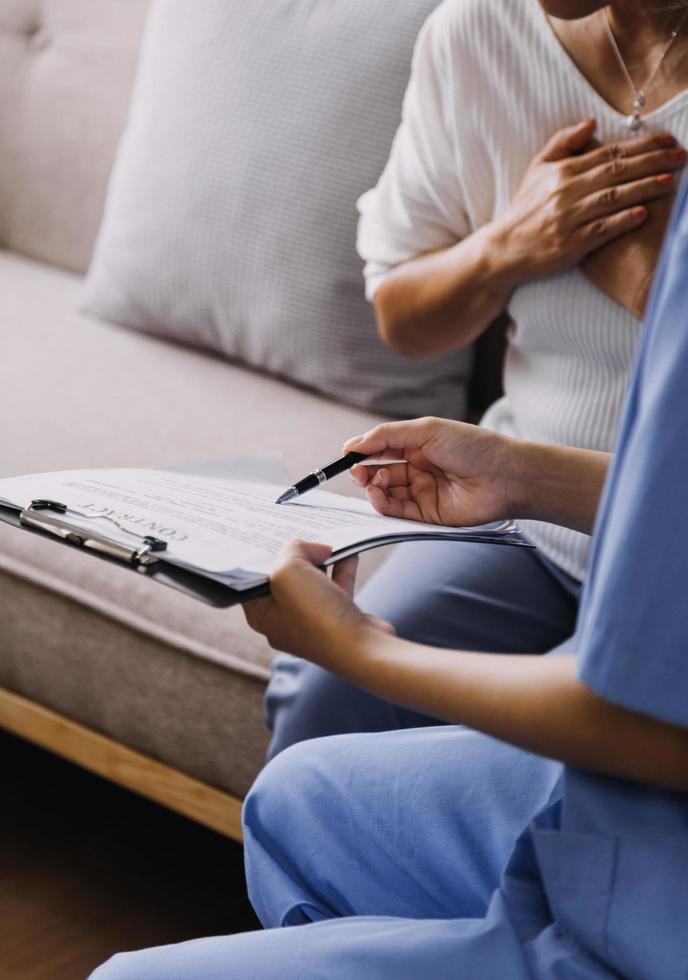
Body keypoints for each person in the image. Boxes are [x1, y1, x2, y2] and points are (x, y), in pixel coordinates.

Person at [89, 174, 688, 978]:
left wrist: (368, 651)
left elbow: (651, 727)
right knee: (295, 792)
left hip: (655, 886)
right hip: (636, 807)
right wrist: (525, 475)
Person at [266, 0, 688, 760]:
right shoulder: (477, 33)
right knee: (326, 696)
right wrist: (509, 246)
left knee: (572, 778)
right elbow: (404, 317)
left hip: (672, 547)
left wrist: (655, 287)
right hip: (521, 514)